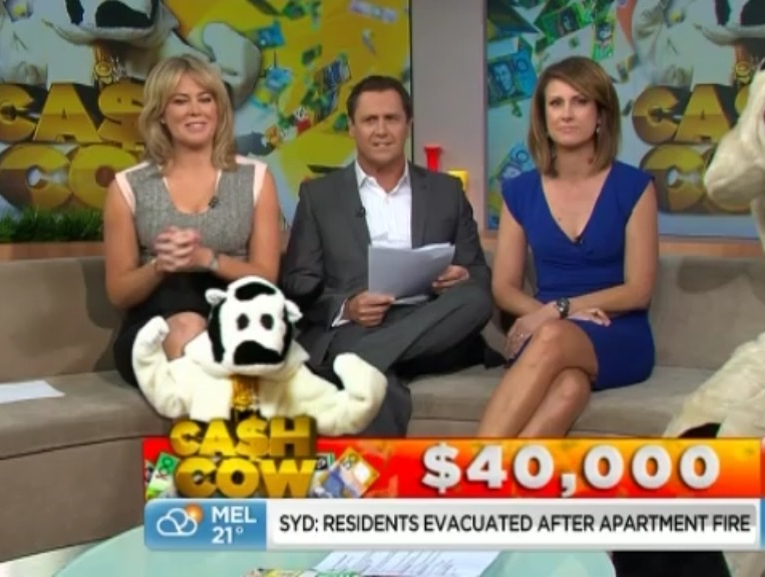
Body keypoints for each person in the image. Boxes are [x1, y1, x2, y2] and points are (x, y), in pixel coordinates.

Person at [281, 75, 496, 437]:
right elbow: (298, 282)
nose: (381, 131)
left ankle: (353, 361)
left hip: (433, 324)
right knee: (376, 389)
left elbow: (478, 274)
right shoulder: (320, 196)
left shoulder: (446, 191)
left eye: (391, 119)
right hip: (358, 326)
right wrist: (347, 307)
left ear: (408, 124)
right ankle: (369, 363)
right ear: (352, 128)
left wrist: (462, 276)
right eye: (370, 120)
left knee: (475, 298)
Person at [476, 56, 659, 438]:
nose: (567, 114)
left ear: (601, 115)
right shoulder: (519, 191)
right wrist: (545, 315)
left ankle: (471, 467)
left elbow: (638, 291)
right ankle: (504, 476)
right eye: (556, 103)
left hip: (616, 331)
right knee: (569, 388)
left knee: (551, 337)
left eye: (580, 101)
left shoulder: (634, 187)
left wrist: (557, 311)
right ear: (543, 118)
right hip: (546, 328)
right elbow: (504, 288)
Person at [104, 54, 282, 388]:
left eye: (205, 99)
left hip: (238, 316)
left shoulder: (256, 177)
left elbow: (266, 278)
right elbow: (119, 293)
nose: (195, 110)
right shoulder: (128, 186)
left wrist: (207, 259)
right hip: (156, 322)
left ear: (219, 109)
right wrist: (160, 265)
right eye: (180, 101)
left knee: (222, 341)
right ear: (161, 113)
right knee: (187, 328)